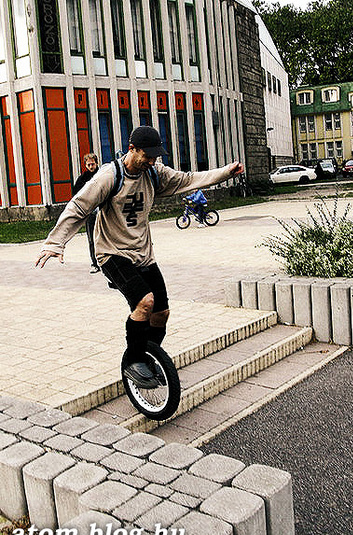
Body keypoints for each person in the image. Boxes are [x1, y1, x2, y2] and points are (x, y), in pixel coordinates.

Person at [35, 126, 244, 389]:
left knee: (161, 313)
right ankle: (134, 361)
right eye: (147, 156)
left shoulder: (155, 173)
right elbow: (79, 206)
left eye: (155, 157)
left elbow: (189, 179)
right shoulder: (110, 175)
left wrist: (225, 172)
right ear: (132, 149)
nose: (151, 162)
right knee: (145, 303)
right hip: (112, 253)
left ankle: (147, 354)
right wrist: (56, 242)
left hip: (143, 253)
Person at [72, 153, 100, 273]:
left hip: (103, 211)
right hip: (90, 212)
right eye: (88, 164)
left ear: (96, 163)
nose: (91, 166)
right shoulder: (82, 179)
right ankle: (94, 263)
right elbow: (76, 196)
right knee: (91, 239)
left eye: (92, 164)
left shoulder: (102, 175)